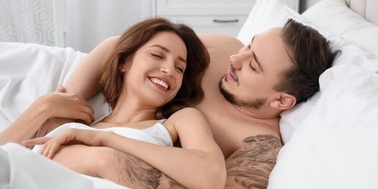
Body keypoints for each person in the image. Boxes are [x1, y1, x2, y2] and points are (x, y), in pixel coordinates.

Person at [8, 18, 338, 188]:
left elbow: (210, 180)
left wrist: (99, 154)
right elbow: (134, 45)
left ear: (282, 99)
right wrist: (64, 107)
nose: (236, 60)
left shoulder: (257, 146)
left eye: (253, 65)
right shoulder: (224, 47)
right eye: (249, 46)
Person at [1, 18, 226, 188]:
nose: (169, 70)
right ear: (124, 63)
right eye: (158, 55)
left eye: (180, 68)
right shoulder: (80, 121)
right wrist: (43, 107)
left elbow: (212, 175)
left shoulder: (178, 121)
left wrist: (104, 141)